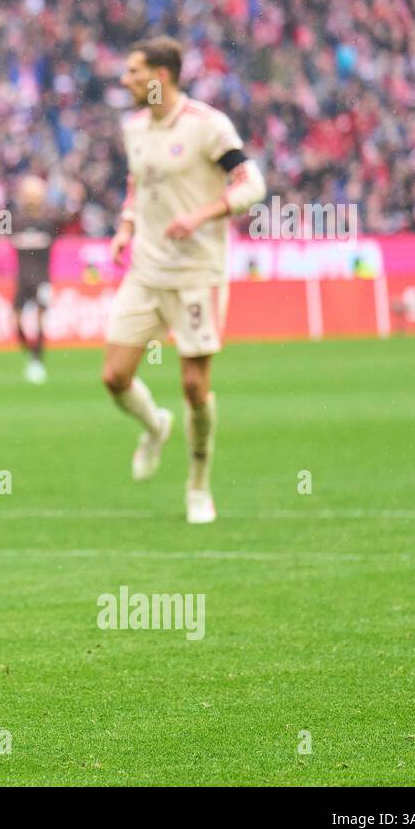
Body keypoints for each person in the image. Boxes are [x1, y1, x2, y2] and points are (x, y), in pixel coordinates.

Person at [101, 36, 266, 524]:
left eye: (134, 72)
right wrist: (125, 226)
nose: (126, 80)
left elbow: (252, 184)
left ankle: (198, 486)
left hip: (197, 274)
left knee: (195, 386)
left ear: (161, 76)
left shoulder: (206, 125)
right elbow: (138, 183)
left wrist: (202, 215)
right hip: (146, 271)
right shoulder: (133, 128)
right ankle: (154, 426)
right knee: (114, 376)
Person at [9, 175, 58, 384]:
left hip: (42, 280)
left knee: (39, 321)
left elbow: (71, 218)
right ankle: (30, 353)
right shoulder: (16, 222)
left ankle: (37, 361)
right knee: (16, 322)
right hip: (22, 280)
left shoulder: (48, 223)